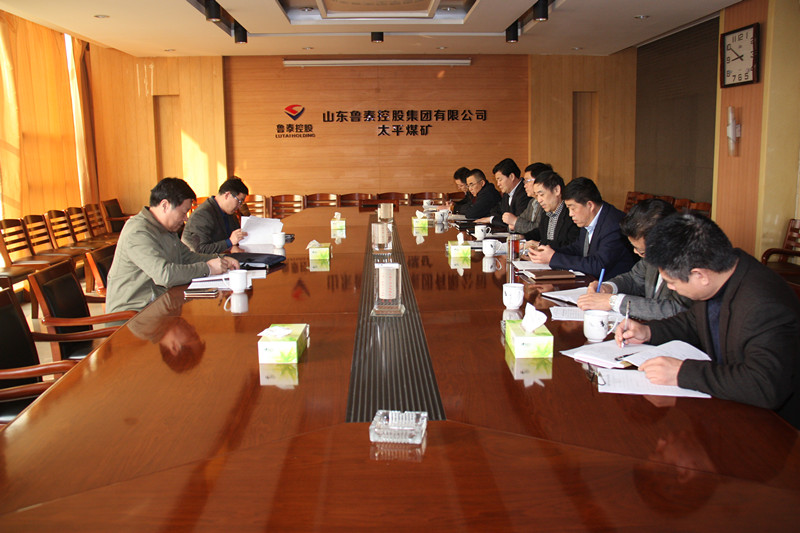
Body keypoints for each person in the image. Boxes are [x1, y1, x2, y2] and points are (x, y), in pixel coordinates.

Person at [616, 213, 800, 428]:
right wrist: (648, 331)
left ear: (700, 275)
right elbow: (693, 322)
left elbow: (764, 385)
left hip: (774, 425)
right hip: (729, 405)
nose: (671, 288)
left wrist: (682, 373)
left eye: (671, 282)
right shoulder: (722, 276)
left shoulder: (763, 305)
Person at [106, 177, 239, 313]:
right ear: (165, 205)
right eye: (183, 212)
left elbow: (188, 257)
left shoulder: (165, 229)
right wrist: (208, 268)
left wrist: (221, 259)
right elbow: (165, 275)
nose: (186, 218)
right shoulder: (138, 232)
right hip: (133, 314)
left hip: (161, 304)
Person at [577, 199, 692, 320]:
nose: (635, 252)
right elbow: (633, 279)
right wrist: (608, 287)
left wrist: (613, 301)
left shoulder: (690, 261)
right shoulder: (651, 253)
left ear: (664, 242)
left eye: (641, 251)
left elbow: (674, 309)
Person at [528, 177, 636, 278]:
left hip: (610, 285)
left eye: (573, 208)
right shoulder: (589, 217)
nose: (570, 214)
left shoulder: (613, 225)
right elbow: (577, 249)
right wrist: (550, 252)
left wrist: (553, 258)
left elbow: (598, 266)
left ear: (590, 205)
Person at [182, 177, 250, 253]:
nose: (239, 206)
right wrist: (230, 242)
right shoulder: (202, 214)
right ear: (227, 195)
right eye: (239, 201)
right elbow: (201, 249)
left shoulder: (229, 212)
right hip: (199, 259)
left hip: (222, 257)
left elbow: (236, 239)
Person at [522, 170, 580, 251]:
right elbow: (540, 232)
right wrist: (522, 237)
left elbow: (570, 245)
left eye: (541, 194)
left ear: (557, 190)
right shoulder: (546, 214)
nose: (539, 200)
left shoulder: (571, 214)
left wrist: (540, 244)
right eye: (537, 195)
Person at [474, 158, 530, 228]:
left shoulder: (525, 192)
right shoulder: (507, 193)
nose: (498, 184)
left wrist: (491, 219)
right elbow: (496, 211)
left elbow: (515, 222)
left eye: (500, 180)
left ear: (511, 176)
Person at [506, 162, 552, 240]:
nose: (524, 185)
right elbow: (519, 221)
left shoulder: (547, 203)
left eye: (527, 181)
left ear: (539, 180)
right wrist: (514, 224)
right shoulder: (532, 202)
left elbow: (538, 229)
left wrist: (515, 222)